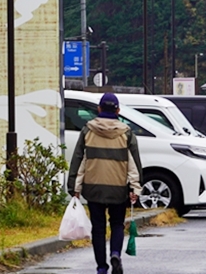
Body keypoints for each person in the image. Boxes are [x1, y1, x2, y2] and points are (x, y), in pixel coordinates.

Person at [67, 92, 142, 274]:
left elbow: (78, 159)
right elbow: (134, 164)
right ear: (118, 110)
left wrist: (74, 188)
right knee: (117, 224)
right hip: (118, 189)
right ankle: (115, 253)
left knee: (98, 229)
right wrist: (135, 188)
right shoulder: (126, 133)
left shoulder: (87, 131)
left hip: (94, 188)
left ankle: (102, 267)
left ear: (99, 109)